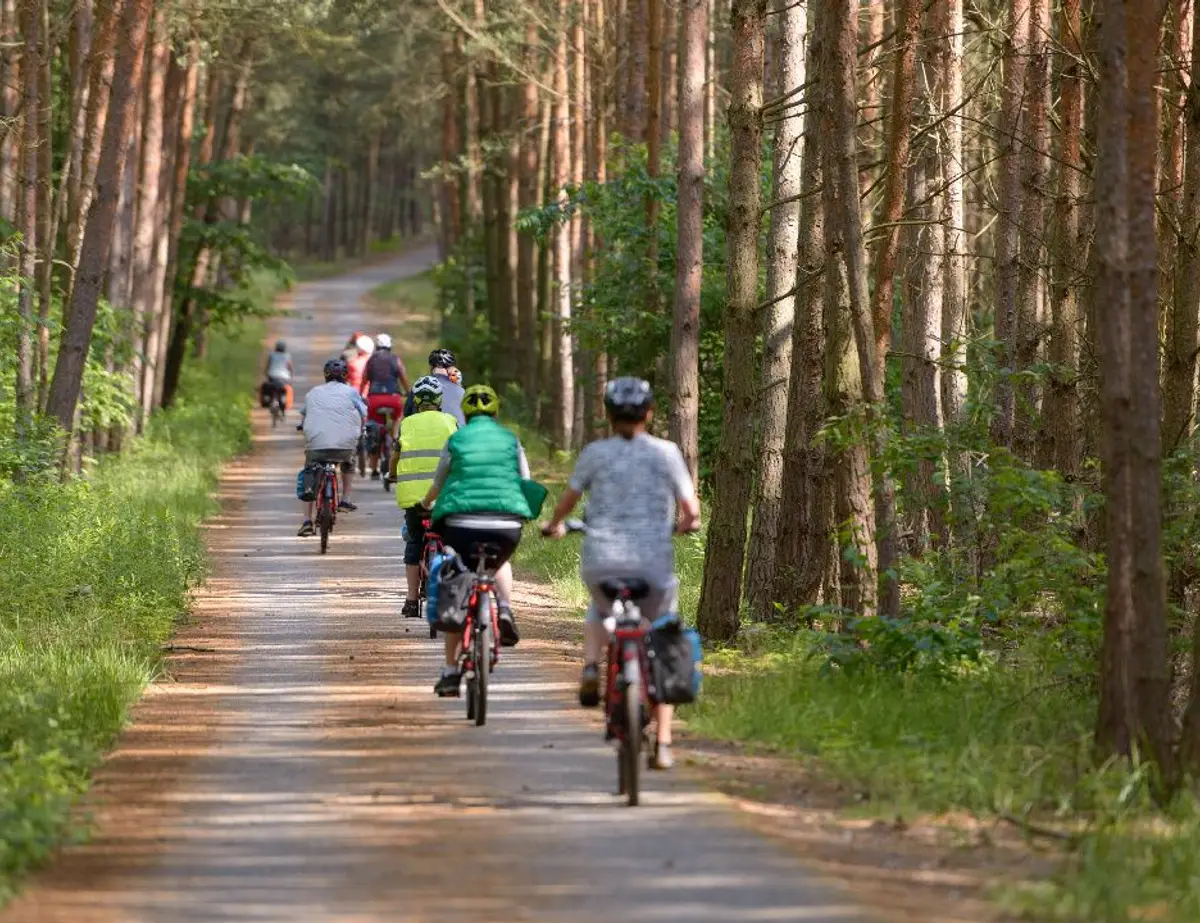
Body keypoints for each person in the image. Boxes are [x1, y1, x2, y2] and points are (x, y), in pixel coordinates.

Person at [540, 377, 700, 771]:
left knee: (600, 607)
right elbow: (691, 510)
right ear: (649, 413)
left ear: (609, 416)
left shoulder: (595, 453)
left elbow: (569, 499)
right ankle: (662, 744)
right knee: (662, 634)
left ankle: (592, 665)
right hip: (652, 563)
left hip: (602, 560)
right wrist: (686, 525)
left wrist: (554, 525)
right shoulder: (666, 452)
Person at [420, 384, 532, 697]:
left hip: (461, 523)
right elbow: (526, 481)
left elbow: (438, 483)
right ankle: (505, 609)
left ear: (466, 414)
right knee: (500, 560)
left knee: (458, 577)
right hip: (505, 523)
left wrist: (426, 504)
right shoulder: (512, 440)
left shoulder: (456, 439)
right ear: (496, 412)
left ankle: (452, 670)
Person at [393, 376, 460, 618]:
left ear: (417, 401)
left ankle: (411, 599)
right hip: (445, 495)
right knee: (452, 541)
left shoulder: (407, 424)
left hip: (413, 497)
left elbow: (395, 456)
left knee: (414, 541)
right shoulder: (451, 422)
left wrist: (392, 475)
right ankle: (453, 591)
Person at [297, 358, 367, 536]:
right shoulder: (352, 392)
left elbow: (304, 417)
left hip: (317, 446)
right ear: (345, 375)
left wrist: (302, 426)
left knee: (309, 471)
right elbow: (363, 413)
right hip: (344, 446)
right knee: (349, 462)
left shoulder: (313, 392)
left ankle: (306, 521)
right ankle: (345, 500)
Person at [361, 332, 410, 478]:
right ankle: (395, 437)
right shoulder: (395, 359)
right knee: (398, 417)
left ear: (377, 346)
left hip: (374, 399)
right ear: (390, 346)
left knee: (374, 432)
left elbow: (364, 380)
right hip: (393, 399)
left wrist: (360, 394)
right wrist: (408, 392)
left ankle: (374, 469)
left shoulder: (371, 360)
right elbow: (403, 377)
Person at [403, 348, 465, 425]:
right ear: (450, 368)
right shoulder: (461, 390)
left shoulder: (420, 386)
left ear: (431, 367)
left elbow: (407, 413)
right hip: (457, 434)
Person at [262, 340, 293, 407]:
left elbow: (268, 365)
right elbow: (290, 367)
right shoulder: (287, 356)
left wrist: (266, 373)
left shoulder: (272, 354)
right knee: (286, 387)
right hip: (284, 377)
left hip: (272, 375)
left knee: (269, 386)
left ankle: (268, 399)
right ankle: (284, 400)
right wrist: (291, 375)